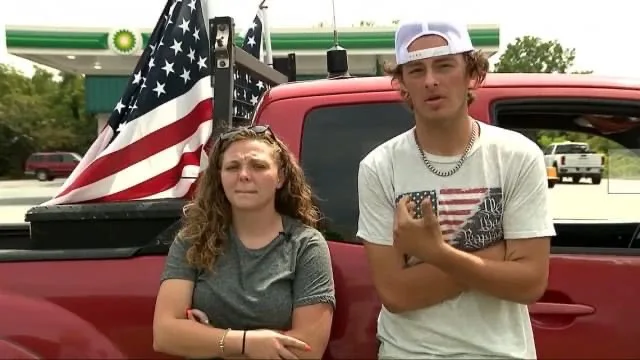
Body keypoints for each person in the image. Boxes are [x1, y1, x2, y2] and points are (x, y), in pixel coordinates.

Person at [357, 19, 555, 359]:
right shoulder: (379, 167)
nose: (431, 80)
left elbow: (530, 283)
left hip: (500, 353)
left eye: (445, 65)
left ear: (471, 75)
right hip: (409, 352)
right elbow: (397, 294)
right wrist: (496, 257)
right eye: (416, 70)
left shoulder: (517, 156)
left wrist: (437, 254)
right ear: (402, 84)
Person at [153, 125, 335, 359]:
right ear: (219, 177)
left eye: (258, 166)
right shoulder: (193, 240)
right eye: (232, 167)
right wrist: (247, 343)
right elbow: (164, 334)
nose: (244, 175)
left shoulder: (306, 245)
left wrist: (210, 341)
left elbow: (307, 351)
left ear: (280, 177)